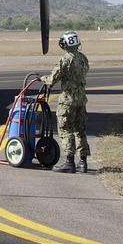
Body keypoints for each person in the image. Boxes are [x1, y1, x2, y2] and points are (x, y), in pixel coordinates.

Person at [47, 31, 91, 173]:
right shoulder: (83, 58)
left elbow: (52, 79)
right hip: (81, 99)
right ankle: (83, 162)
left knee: (66, 130)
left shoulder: (65, 60)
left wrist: (43, 79)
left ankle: (69, 163)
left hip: (67, 101)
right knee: (80, 130)